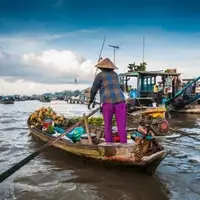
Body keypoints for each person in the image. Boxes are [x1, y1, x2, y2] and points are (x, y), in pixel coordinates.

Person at [88, 58, 127, 143]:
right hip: (120, 101)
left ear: (101, 68)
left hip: (108, 102)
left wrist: (91, 101)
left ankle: (109, 144)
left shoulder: (100, 75)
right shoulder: (115, 74)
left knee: (108, 126)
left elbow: (94, 89)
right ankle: (124, 144)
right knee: (121, 126)